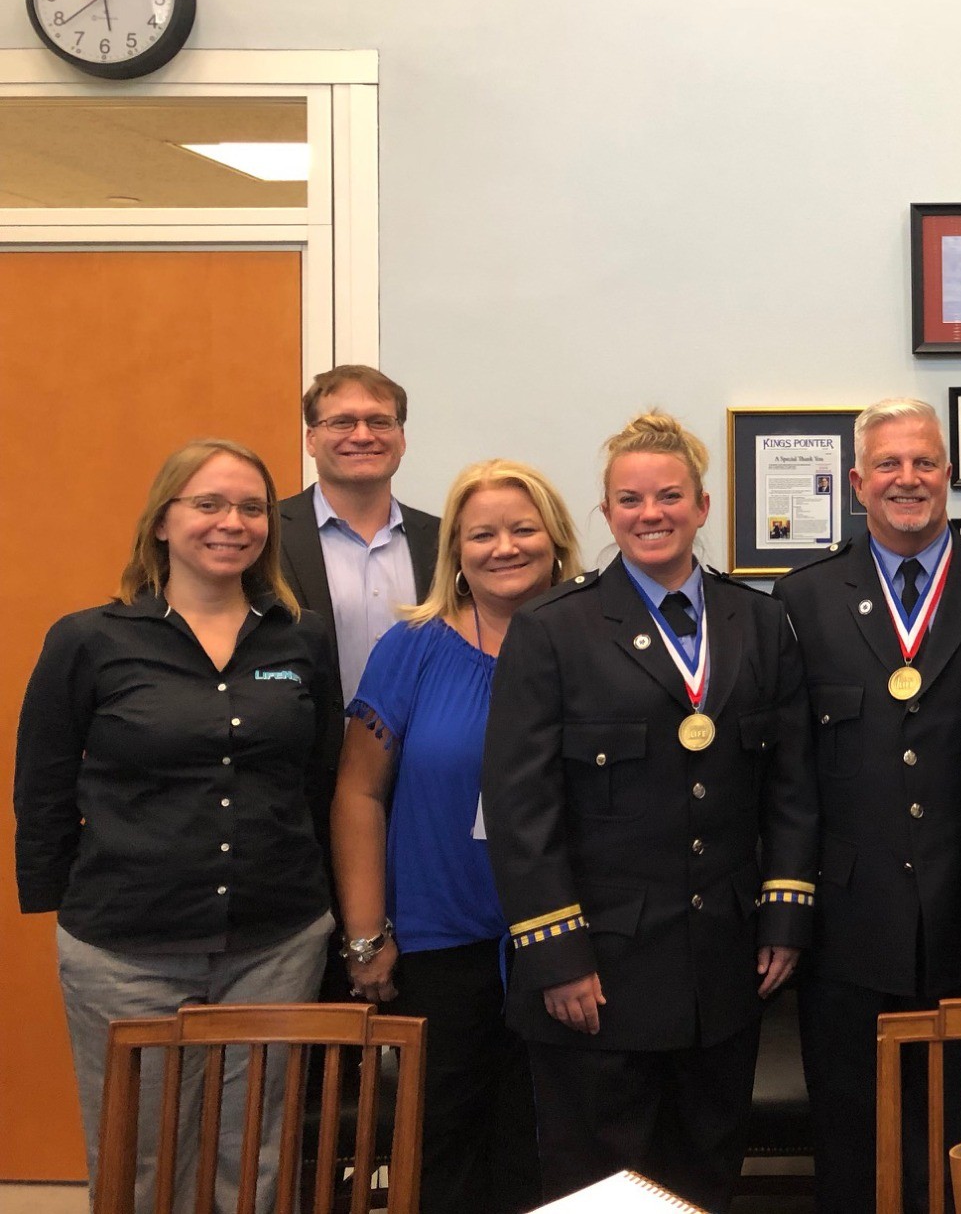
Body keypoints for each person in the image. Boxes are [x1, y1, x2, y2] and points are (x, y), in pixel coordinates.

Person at [482, 411, 816, 1211]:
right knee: (602, 1185)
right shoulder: (553, 629)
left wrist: (784, 918)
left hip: (725, 968)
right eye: (630, 500)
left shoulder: (760, 623)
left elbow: (793, 785)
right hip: (600, 971)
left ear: (704, 507)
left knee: (706, 1172)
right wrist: (557, 954)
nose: (651, 513)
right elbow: (521, 805)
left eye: (670, 496)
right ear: (606, 515)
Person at [14, 440, 342, 1213]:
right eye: (208, 504)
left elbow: (323, 779)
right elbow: (45, 787)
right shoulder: (90, 639)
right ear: (162, 520)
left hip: (277, 938)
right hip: (126, 947)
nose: (233, 523)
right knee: (142, 1157)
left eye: (252, 508)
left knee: (256, 1155)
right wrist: (70, 902)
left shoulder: (304, 637)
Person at [772, 399, 961, 1214]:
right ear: (856, 482)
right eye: (888, 464)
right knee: (851, 1140)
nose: (906, 479)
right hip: (848, 923)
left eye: (923, 463)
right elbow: (787, 773)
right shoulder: (800, 601)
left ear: (948, 474)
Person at [331, 459, 582, 1214]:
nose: (503, 547)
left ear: (557, 541)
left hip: (569, 943)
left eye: (522, 528)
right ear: (456, 551)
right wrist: (366, 936)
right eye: (482, 533)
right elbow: (358, 791)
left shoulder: (598, 644)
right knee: (443, 1148)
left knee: (550, 1150)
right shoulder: (411, 648)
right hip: (441, 944)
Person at [278, 365, 441, 702]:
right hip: (304, 749)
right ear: (311, 439)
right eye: (343, 422)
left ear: (402, 438)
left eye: (380, 422)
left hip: (420, 753)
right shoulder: (266, 535)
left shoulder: (443, 540)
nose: (363, 436)